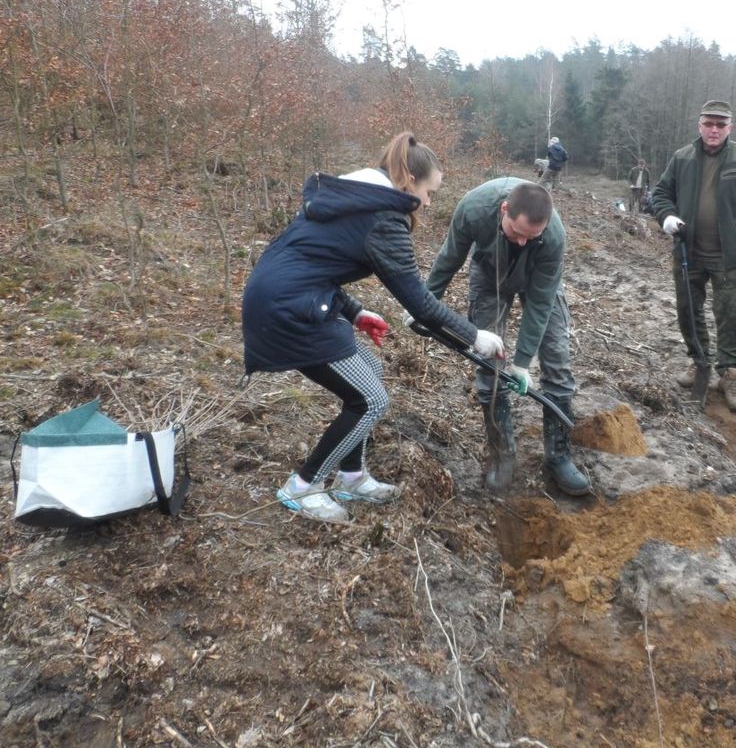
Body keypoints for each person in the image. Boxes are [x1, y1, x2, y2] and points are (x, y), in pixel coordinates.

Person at [242, 132, 505, 523]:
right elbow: (420, 303)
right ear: (409, 181)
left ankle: (351, 476)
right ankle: (302, 487)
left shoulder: (352, 197)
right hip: (287, 312)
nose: (428, 203)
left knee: (372, 373)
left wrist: (354, 312)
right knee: (371, 400)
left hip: (290, 298)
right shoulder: (381, 216)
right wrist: (475, 336)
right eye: (429, 193)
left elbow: (314, 260)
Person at [422, 177, 589, 496]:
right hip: (489, 277)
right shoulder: (473, 209)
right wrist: (424, 304)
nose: (523, 242)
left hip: (539, 283)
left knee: (557, 363)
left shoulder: (552, 236)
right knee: (490, 370)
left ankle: (559, 458)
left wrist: (523, 363)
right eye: (517, 233)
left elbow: (540, 304)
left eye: (532, 237)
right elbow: (449, 258)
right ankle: (503, 456)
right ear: (503, 211)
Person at [651, 99, 736, 411]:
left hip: (730, 255)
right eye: (709, 123)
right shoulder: (683, 158)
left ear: (730, 127)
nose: (714, 129)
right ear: (700, 125)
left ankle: (731, 374)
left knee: (730, 314)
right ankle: (700, 361)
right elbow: (662, 194)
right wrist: (666, 216)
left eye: (721, 124)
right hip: (688, 251)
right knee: (687, 311)